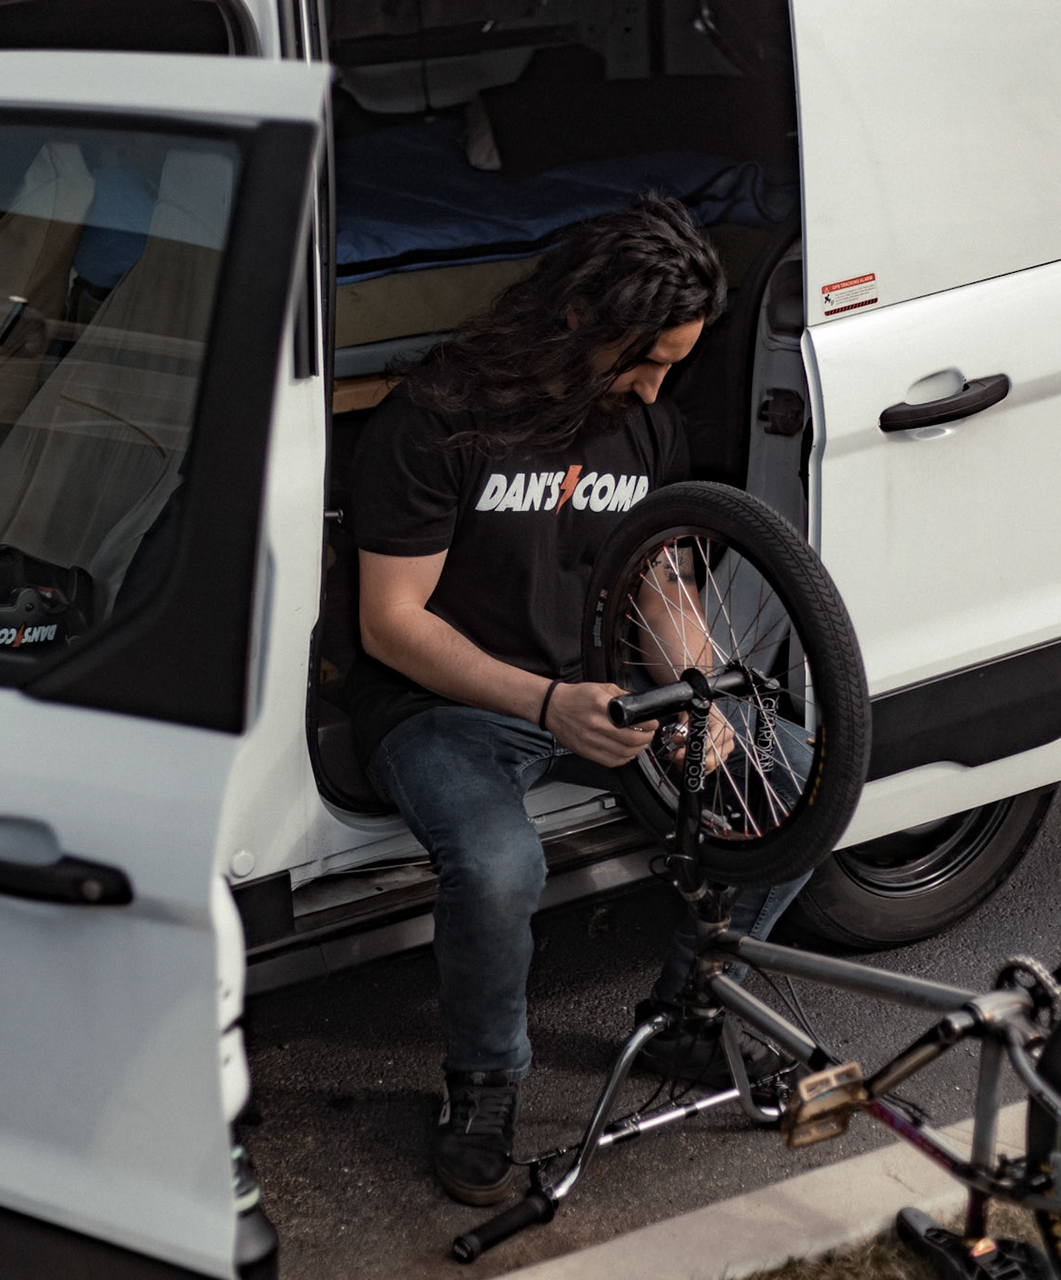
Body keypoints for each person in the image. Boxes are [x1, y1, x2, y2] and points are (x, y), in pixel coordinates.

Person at [348, 195, 812, 1207]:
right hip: (445, 701)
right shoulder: (435, 420)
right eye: (644, 361)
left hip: (602, 688)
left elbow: (660, 579)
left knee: (801, 781)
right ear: (576, 320)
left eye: (674, 366)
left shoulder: (646, 424)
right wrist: (547, 702)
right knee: (498, 866)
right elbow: (390, 623)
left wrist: (693, 691)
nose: (655, 388)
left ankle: (690, 1013)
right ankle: (484, 1088)